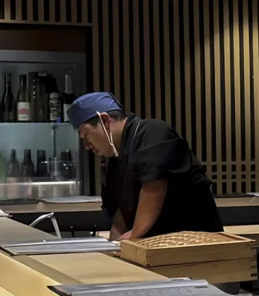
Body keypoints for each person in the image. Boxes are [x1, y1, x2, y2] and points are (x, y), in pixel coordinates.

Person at [67, 92, 223, 241]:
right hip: (154, 247)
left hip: (195, 240)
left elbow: (153, 189)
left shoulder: (153, 132)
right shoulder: (114, 159)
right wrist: (113, 249)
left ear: (106, 121)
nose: (86, 145)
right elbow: (122, 212)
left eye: (85, 134)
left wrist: (133, 236)